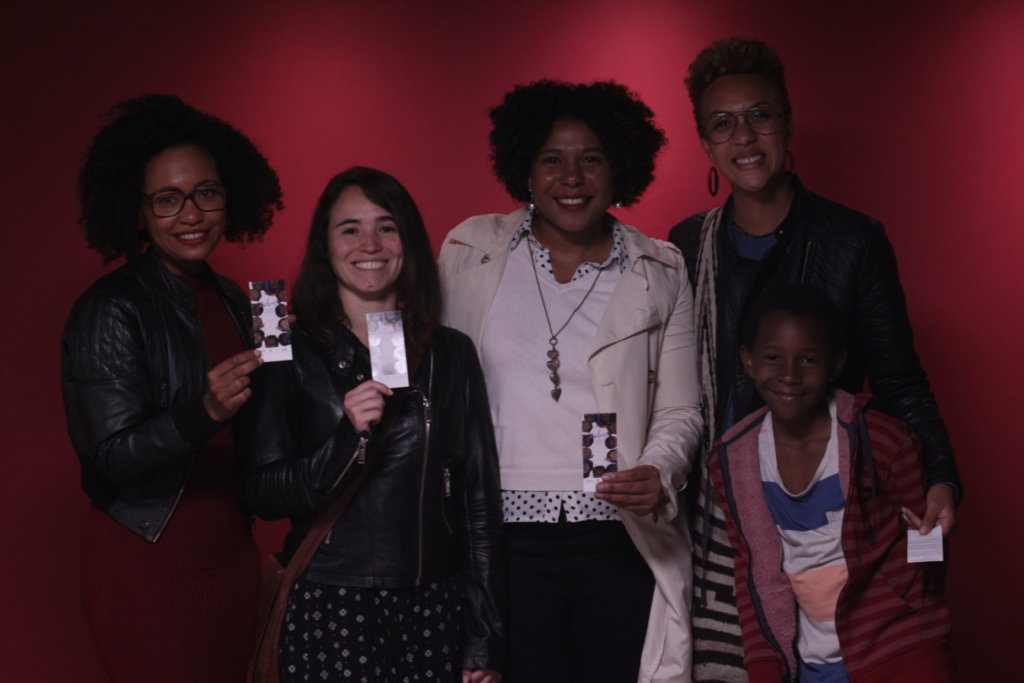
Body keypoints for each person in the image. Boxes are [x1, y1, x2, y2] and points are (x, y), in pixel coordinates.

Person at [667, 38, 961, 681]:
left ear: (787, 123)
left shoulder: (853, 240)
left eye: (760, 115)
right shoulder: (685, 247)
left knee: (869, 655)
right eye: (723, 123)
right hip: (727, 517)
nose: (744, 136)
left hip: (835, 514)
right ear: (706, 143)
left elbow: (899, 380)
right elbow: (669, 388)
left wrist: (941, 476)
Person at [439, 80, 702, 682]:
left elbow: (680, 410)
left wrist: (658, 470)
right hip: (499, 538)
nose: (572, 177)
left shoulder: (661, 268)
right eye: (552, 159)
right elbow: (427, 373)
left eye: (592, 159)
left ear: (619, 170)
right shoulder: (469, 252)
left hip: (616, 535)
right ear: (526, 172)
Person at [239, 167, 504, 683]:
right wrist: (345, 439)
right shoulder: (285, 348)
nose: (370, 244)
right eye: (350, 229)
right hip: (331, 605)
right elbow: (261, 493)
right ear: (326, 244)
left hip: (435, 606)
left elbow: (479, 504)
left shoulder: (450, 353)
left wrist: (484, 636)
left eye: (387, 227)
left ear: (408, 241)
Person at [61, 94, 283, 682]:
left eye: (206, 193)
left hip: (231, 553)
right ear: (137, 211)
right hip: (146, 554)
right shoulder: (110, 308)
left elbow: (261, 437)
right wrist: (202, 411)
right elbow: (112, 456)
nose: (191, 214)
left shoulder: (238, 300)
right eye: (167, 199)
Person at [709, 284, 953, 682]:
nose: (789, 375)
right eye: (773, 358)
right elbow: (752, 571)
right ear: (748, 360)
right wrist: (765, 666)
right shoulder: (731, 459)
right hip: (808, 664)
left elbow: (926, 544)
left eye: (808, 359)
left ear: (835, 364)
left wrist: (912, 639)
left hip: (899, 654)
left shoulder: (884, 441)